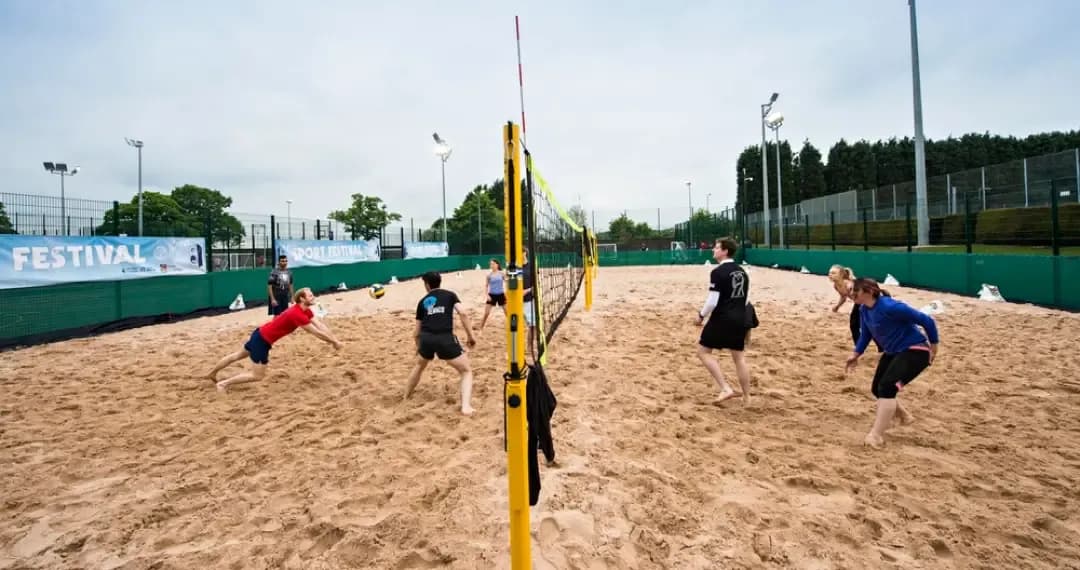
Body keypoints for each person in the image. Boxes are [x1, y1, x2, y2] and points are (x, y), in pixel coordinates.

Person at [844, 278, 940, 448]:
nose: (851, 295)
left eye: (855, 292)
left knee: (887, 388)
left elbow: (927, 321)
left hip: (916, 351)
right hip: (894, 351)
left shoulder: (891, 307)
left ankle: (876, 436)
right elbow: (866, 334)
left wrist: (934, 346)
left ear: (868, 291)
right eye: (850, 291)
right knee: (877, 389)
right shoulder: (864, 310)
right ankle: (903, 416)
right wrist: (855, 354)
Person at [206, 287, 342, 391]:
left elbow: (320, 325)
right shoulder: (297, 314)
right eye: (310, 295)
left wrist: (334, 339)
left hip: (259, 333)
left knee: (236, 356)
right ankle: (223, 384)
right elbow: (316, 333)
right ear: (302, 299)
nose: (314, 297)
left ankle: (212, 373)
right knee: (257, 376)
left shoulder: (306, 310)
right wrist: (334, 343)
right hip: (262, 341)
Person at [404, 271, 479, 415]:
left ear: (427, 285)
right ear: (440, 281)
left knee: (419, 365)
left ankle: (405, 396)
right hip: (444, 338)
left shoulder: (422, 302)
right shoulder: (450, 295)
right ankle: (466, 407)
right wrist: (471, 336)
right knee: (466, 371)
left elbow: (416, 333)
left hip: (426, 338)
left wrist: (418, 347)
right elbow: (463, 313)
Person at [694, 237, 753, 406]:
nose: (713, 250)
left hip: (722, 318)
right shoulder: (743, 271)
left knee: (703, 352)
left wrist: (700, 315)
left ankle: (725, 388)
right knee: (739, 359)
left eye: (717, 247)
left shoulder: (718, 272)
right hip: (740, 317)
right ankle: (747, 398)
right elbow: (746, 299)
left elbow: (712, 301)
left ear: (725, 251)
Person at [828, 264, 882, 351]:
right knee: (855, 325)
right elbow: (843, 297)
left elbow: (863, 297)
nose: (830, 275)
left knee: (865, 325)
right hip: (860, 303)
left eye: (833, 273)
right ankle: (859, 346)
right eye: (829, 273)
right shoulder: (836, 285)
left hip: (866, 302)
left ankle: (880, 347)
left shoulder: (849, 285)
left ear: (841, 275)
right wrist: (837, 306)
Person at [477, 258, 507, 331]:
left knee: (507, 312)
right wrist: (487, 295)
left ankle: (511, 326)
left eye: (493, 264)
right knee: (486, 313)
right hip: (492, 295)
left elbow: (507, 282)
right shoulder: (489, 275)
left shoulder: (502, 273)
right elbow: (486, 286)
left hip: (501, 294)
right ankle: (481, 327)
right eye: (491, 264)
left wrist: (506, 293)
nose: (492, 265)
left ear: (497, 265)